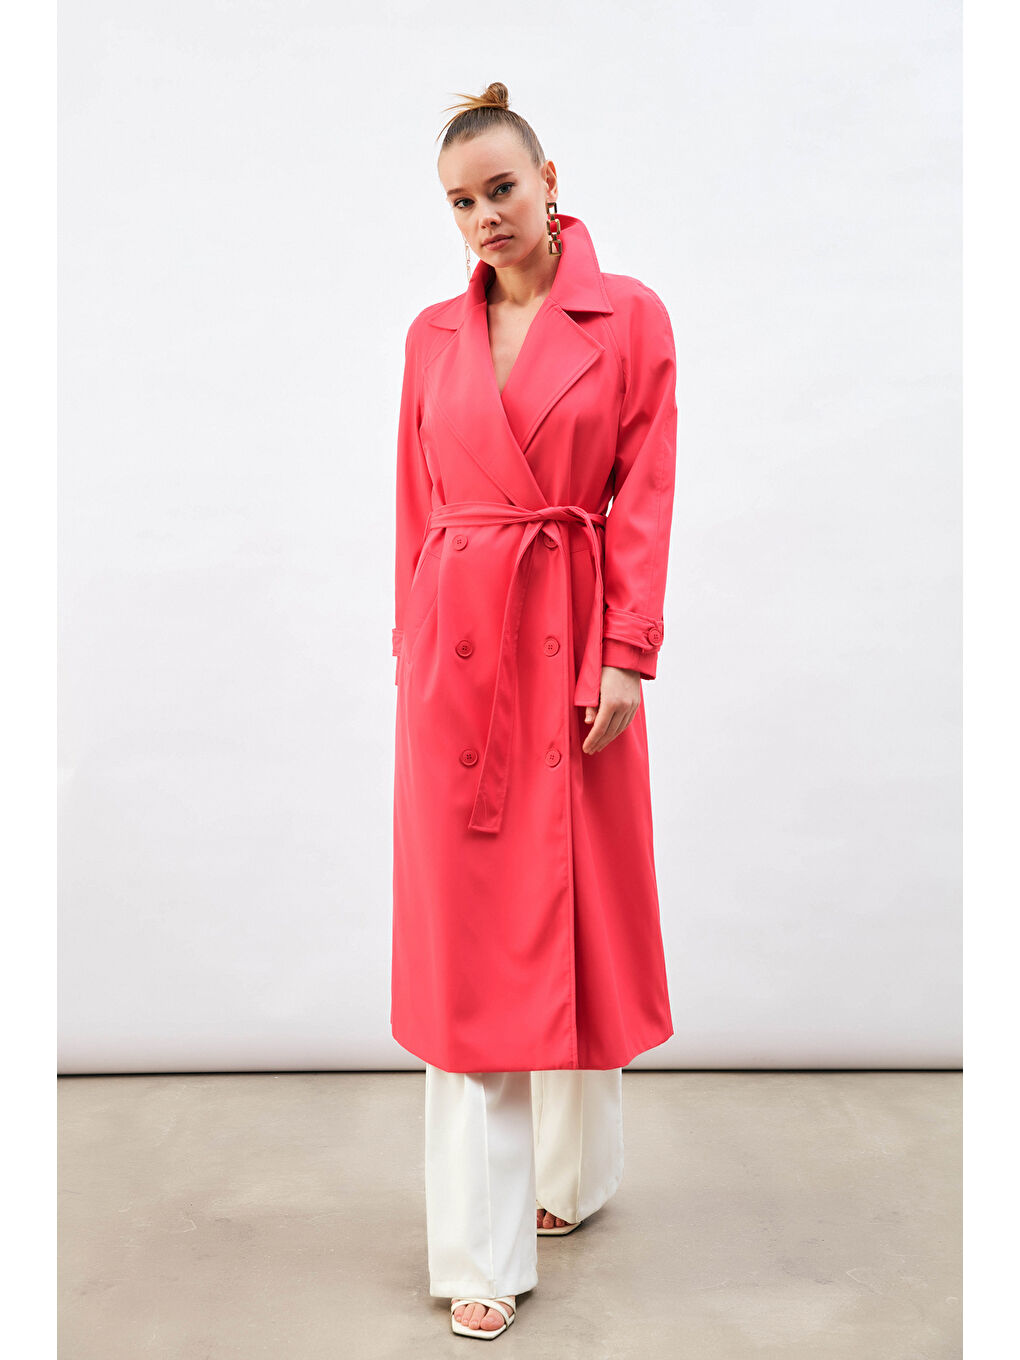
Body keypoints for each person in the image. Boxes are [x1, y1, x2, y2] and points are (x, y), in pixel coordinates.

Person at [390, 81, 678, 1339]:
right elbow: (416, 507)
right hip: (457, 668)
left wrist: (627, 651)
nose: (484, 218)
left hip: (571, 650)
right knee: (471, 961)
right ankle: (482, 1249)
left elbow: (646, 491)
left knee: (575, 914)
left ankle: (575, 1176)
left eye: (502, 188)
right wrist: (410, 650)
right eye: (461, 202)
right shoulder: (429, 337)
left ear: (549, 179)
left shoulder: (630, 317)